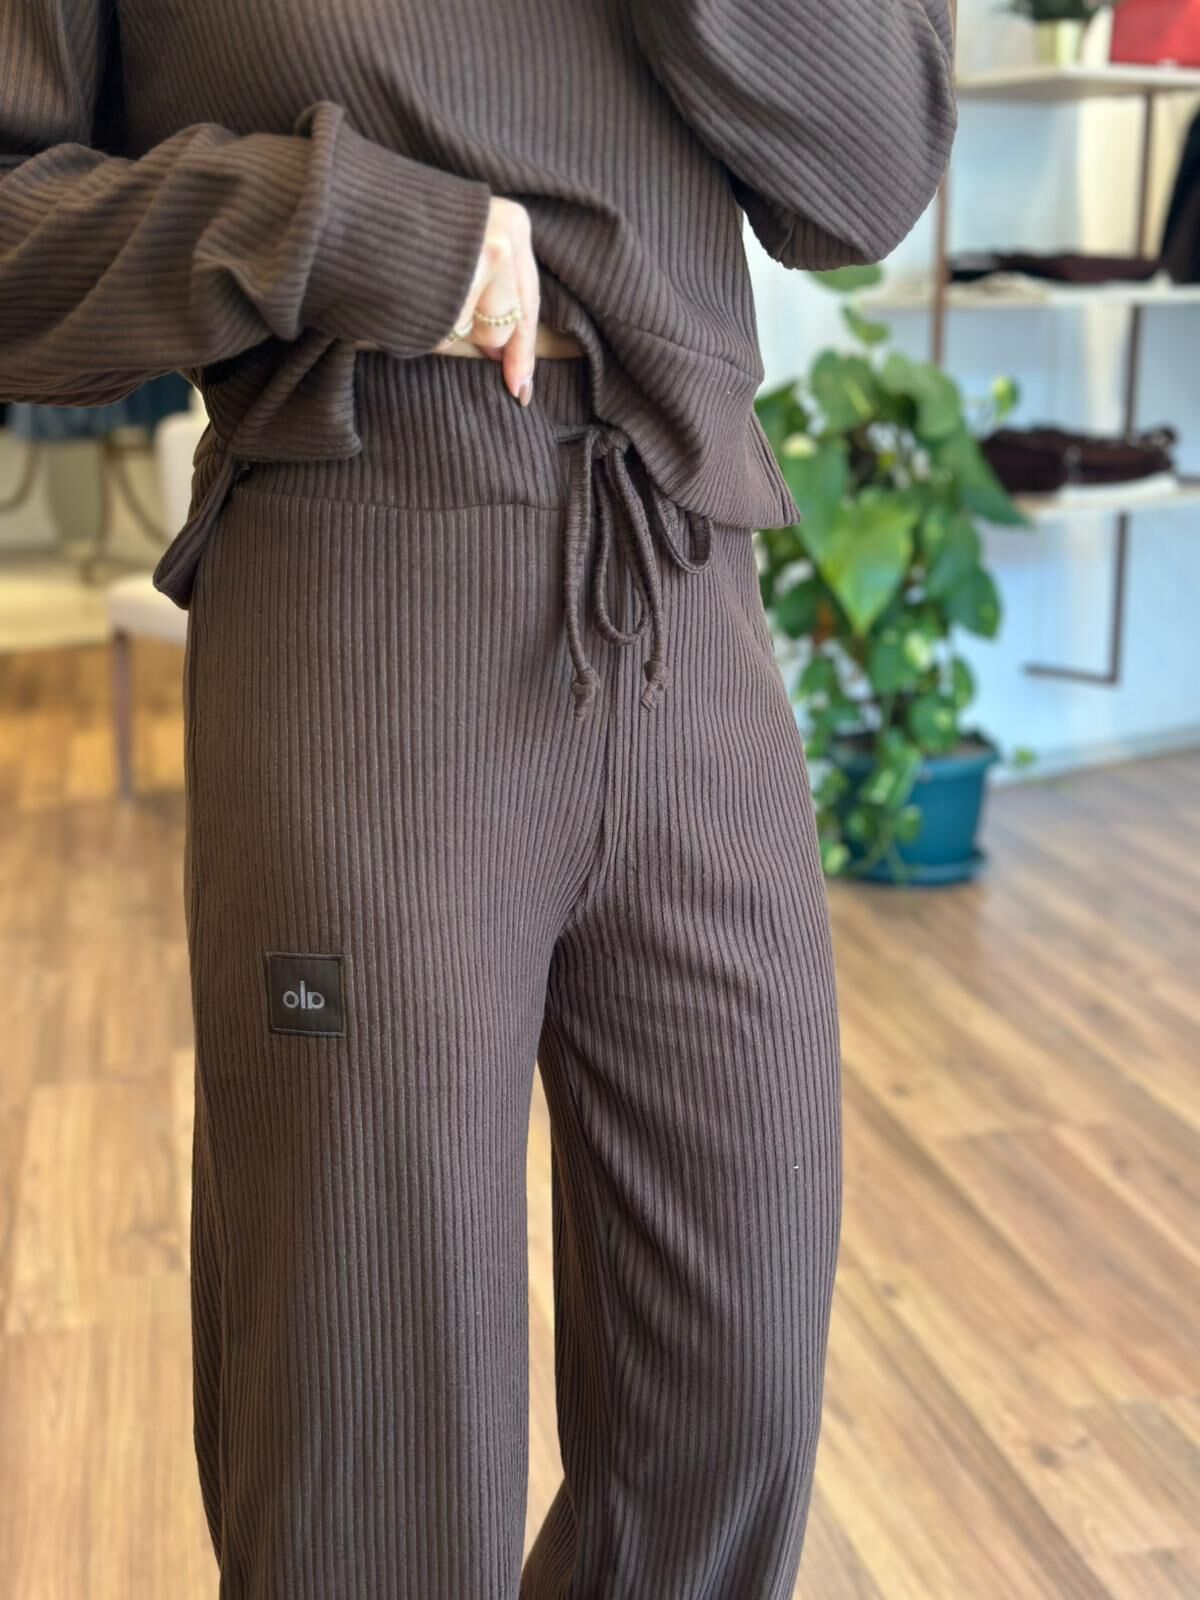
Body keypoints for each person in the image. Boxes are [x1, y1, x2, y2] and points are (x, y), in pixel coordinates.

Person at [0, 2, 956, 1594]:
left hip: (684, 563)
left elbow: (868, 176)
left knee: (734, 1402)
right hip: (362, 574)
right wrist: (330, 223)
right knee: (371, 1419)